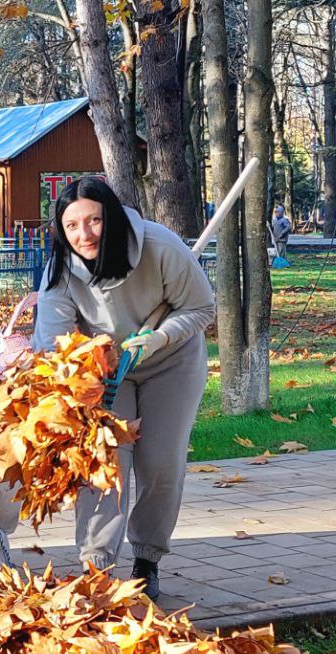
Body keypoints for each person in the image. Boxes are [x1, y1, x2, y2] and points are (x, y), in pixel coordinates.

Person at [32, 176, 214, 599]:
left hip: (171, 362)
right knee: (105, 461)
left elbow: (201, 306)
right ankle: (96, 566)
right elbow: (52, 346)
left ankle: (147, 559)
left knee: (161, 462)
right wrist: (78, 380)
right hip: (107, 370)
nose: (84, 234)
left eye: (94, 220)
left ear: (111, 217)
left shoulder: (160, 247)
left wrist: (160, 337)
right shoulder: (61, 271)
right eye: (72, 225)